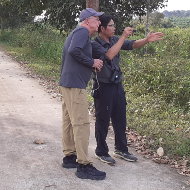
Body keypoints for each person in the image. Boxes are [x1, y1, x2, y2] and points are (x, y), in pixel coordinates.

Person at [91, 14, 164, 165]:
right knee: (103, 120)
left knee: (120, 117)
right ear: (102, 28)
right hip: (103, 86)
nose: (114, 28)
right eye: (111, 25)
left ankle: (121, 149)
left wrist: (146, 40)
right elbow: (109, 55)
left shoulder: (115, 39)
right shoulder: (94, 44)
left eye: (114, 25)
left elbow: (131, 45)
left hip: (117, 84)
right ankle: (101, 151)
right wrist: (123, 36)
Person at [59, 8, 106, 180]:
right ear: (87, 20)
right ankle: (84, 165)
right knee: (81, 123)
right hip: (74, 86)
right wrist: (91, 61)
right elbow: (74, 51)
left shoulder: (78, 33)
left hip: (67, 84)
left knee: (69, 122)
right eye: (97, 19)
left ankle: (69, 156)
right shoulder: (82, 31)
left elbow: (77, 51)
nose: (99, 23)